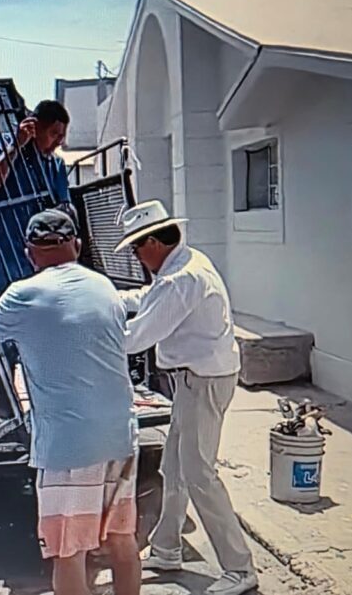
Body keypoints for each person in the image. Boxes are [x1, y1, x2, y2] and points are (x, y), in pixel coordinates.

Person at [0, 209, 140, 595]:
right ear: (77, 246)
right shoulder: (103, 286)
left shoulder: (24, 294)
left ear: (29, 253)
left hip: (68, 448)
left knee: (68, 551)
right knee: (122, 539)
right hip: (120, 436)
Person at [116, 200, 257, 595]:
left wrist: (91, 332)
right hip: (197, 377)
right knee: (174, 468)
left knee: (199, 474)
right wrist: (114, 299)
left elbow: (137, 338)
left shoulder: (181, 279)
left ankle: (240, 568)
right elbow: (151, 298)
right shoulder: (184, 264)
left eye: (136, 248)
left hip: (202, 380)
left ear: (153, 244)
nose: (136, 256)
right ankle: (166, 546)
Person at [0, 99, 73, 298]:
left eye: (62, 136)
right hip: (2, 256)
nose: (59, 143)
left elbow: (64, 209)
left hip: (41, 261)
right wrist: (16, 145)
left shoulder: (55, 164)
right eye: (54, 134)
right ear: (34, 127)